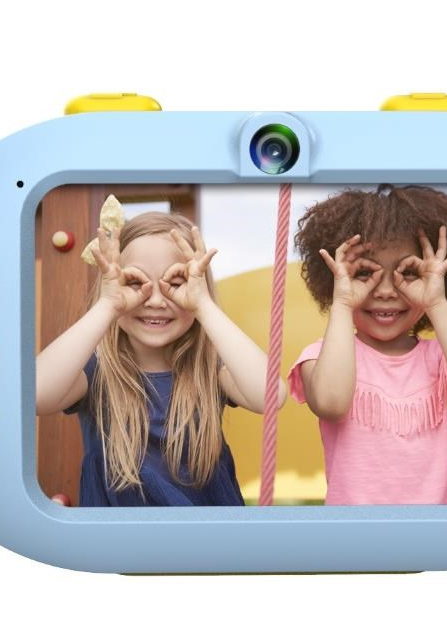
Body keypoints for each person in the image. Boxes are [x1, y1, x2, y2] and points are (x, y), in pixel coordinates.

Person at [37, 209, 285, 506]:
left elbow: (271, 396)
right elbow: (35, 394)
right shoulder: (97, 369)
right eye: (134, 282)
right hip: (120, 533)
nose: (155, 300)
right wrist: (108, 305)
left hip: (207, 532)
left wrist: (202, 305)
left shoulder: (210, 367)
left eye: (176, 282)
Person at [288, 185, 447, 505]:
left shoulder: (440, 357)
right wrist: (343, 302)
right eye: (364, 272)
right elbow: (331, 403)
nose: (386, 290)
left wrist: (436, 302)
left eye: (409, 272)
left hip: (436, 531)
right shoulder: (320, 357)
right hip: (357, 532)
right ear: (331, 279)